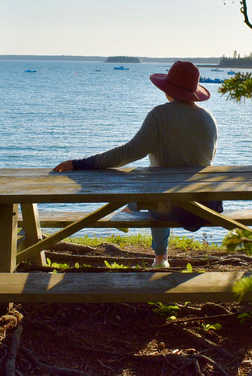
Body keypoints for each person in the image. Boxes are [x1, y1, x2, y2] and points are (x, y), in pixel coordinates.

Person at [54, 60, 219, 268]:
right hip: (204, 205)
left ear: (168, 91)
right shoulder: (209, 118)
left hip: (169, 206)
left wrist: (81, 164)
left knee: (158, 187)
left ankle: (160, 256)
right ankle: (133, 212)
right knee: (164, 184)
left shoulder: (159, 115)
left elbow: (128, 153)